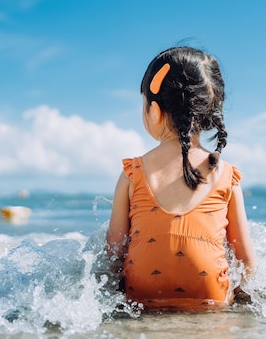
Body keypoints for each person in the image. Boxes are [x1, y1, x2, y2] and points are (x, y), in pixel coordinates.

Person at [106, 46, 256, 311]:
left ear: (154, 110)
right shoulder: (226, 174)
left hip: (140, 295)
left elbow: (114, 253)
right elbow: (245, 261)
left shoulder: (132, 172)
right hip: (211, 295)